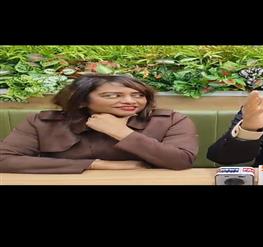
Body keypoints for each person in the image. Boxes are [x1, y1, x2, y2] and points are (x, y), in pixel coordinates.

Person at [0, 74, 199, 173]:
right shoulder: (43, 122)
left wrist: (122, 133)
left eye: (138, 95)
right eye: (112, 95)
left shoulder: (171, 120)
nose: (130, 101)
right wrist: (96, 164)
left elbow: (181, 161)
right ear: (82, 100)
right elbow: (4, 159)